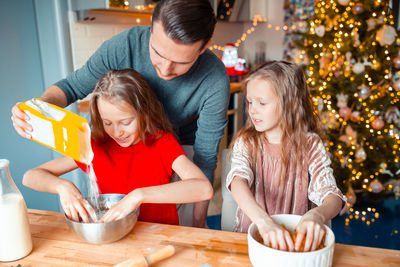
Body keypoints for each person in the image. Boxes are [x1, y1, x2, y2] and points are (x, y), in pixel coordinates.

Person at [11, 0, 230, 228]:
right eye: (158, 53)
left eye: (180, 61)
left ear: (203, 48)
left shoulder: (212, 81)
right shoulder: (123, 47)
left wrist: (198, 221)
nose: (165, 69)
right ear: (151, 28)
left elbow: (204, 165)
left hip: (176, 153)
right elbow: (71, 87)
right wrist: (37, 111)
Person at [23, 69, 213, 225]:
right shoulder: (94, 146)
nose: (116, 132)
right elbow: (30, 176)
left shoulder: (161, 143)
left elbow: (203, 188)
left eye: (125, 122)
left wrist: (138, 196)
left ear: (144, 112)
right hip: (115, 239)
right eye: (107, 123)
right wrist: (61, 186)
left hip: (159, 237)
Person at [226, 61, 346, 252]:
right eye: (250, 102)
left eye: (262, 103)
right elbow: (238, 181)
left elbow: (333, 196)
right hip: (251, 241)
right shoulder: (247, 142)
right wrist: (263, 222)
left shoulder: (311, 145)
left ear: (289, 103)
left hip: (295, 244)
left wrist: (317, 215)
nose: (253, 110)